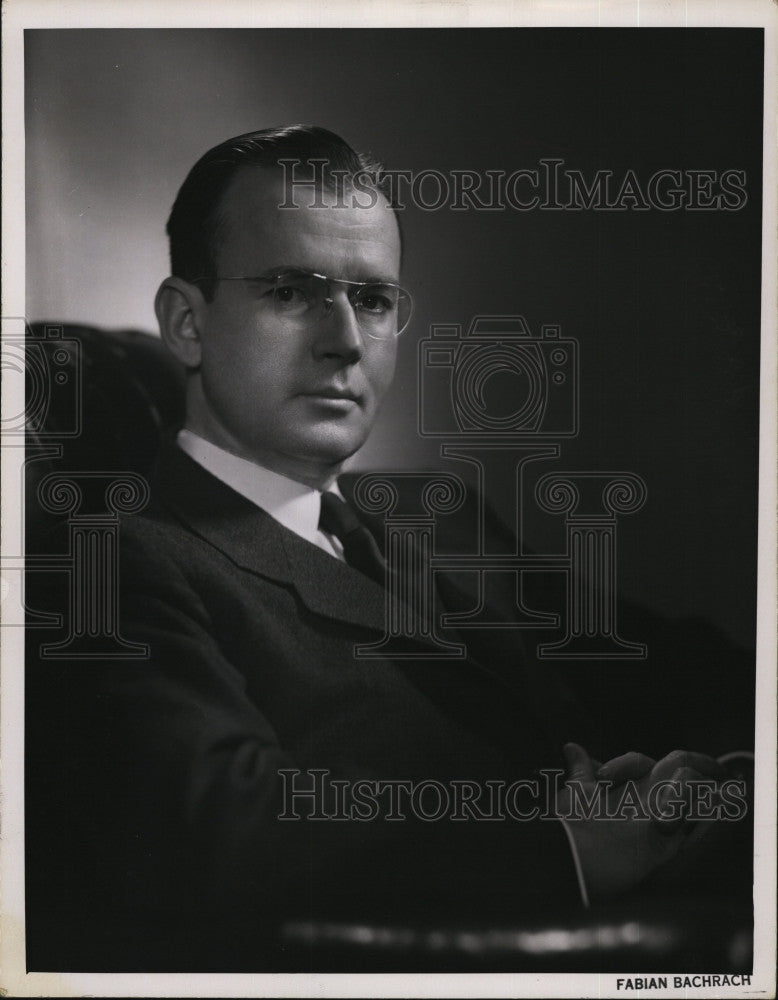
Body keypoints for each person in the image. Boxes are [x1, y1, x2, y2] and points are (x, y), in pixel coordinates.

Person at [25, 125, 751, 972]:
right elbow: (225, 831)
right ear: (187, 322)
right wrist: (568, 846)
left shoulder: (433, 514)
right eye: (292, 292)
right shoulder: (111, 565)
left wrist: (716, 780)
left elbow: (679, 666)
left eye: (372, 300)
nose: (344, 340)